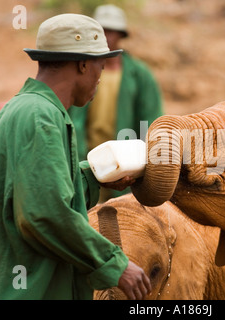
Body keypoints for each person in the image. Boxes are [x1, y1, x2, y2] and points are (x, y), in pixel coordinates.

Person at [0, 14, 151, 300]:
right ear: (83, 64)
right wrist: (115, 264)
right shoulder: (42, 118)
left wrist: (91, 176)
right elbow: (44, 214)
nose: (100, 77)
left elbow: (32, 192)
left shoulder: (22, 107)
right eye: (101, 66)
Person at [68, 4, 163, 202]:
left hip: (124, 166)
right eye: (102, 31)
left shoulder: (139, 75)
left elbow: (151, 121)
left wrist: (141, 164)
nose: (107, 37)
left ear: (120, 35)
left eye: (112, 31)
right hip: (85, 161)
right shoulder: (80, 71)